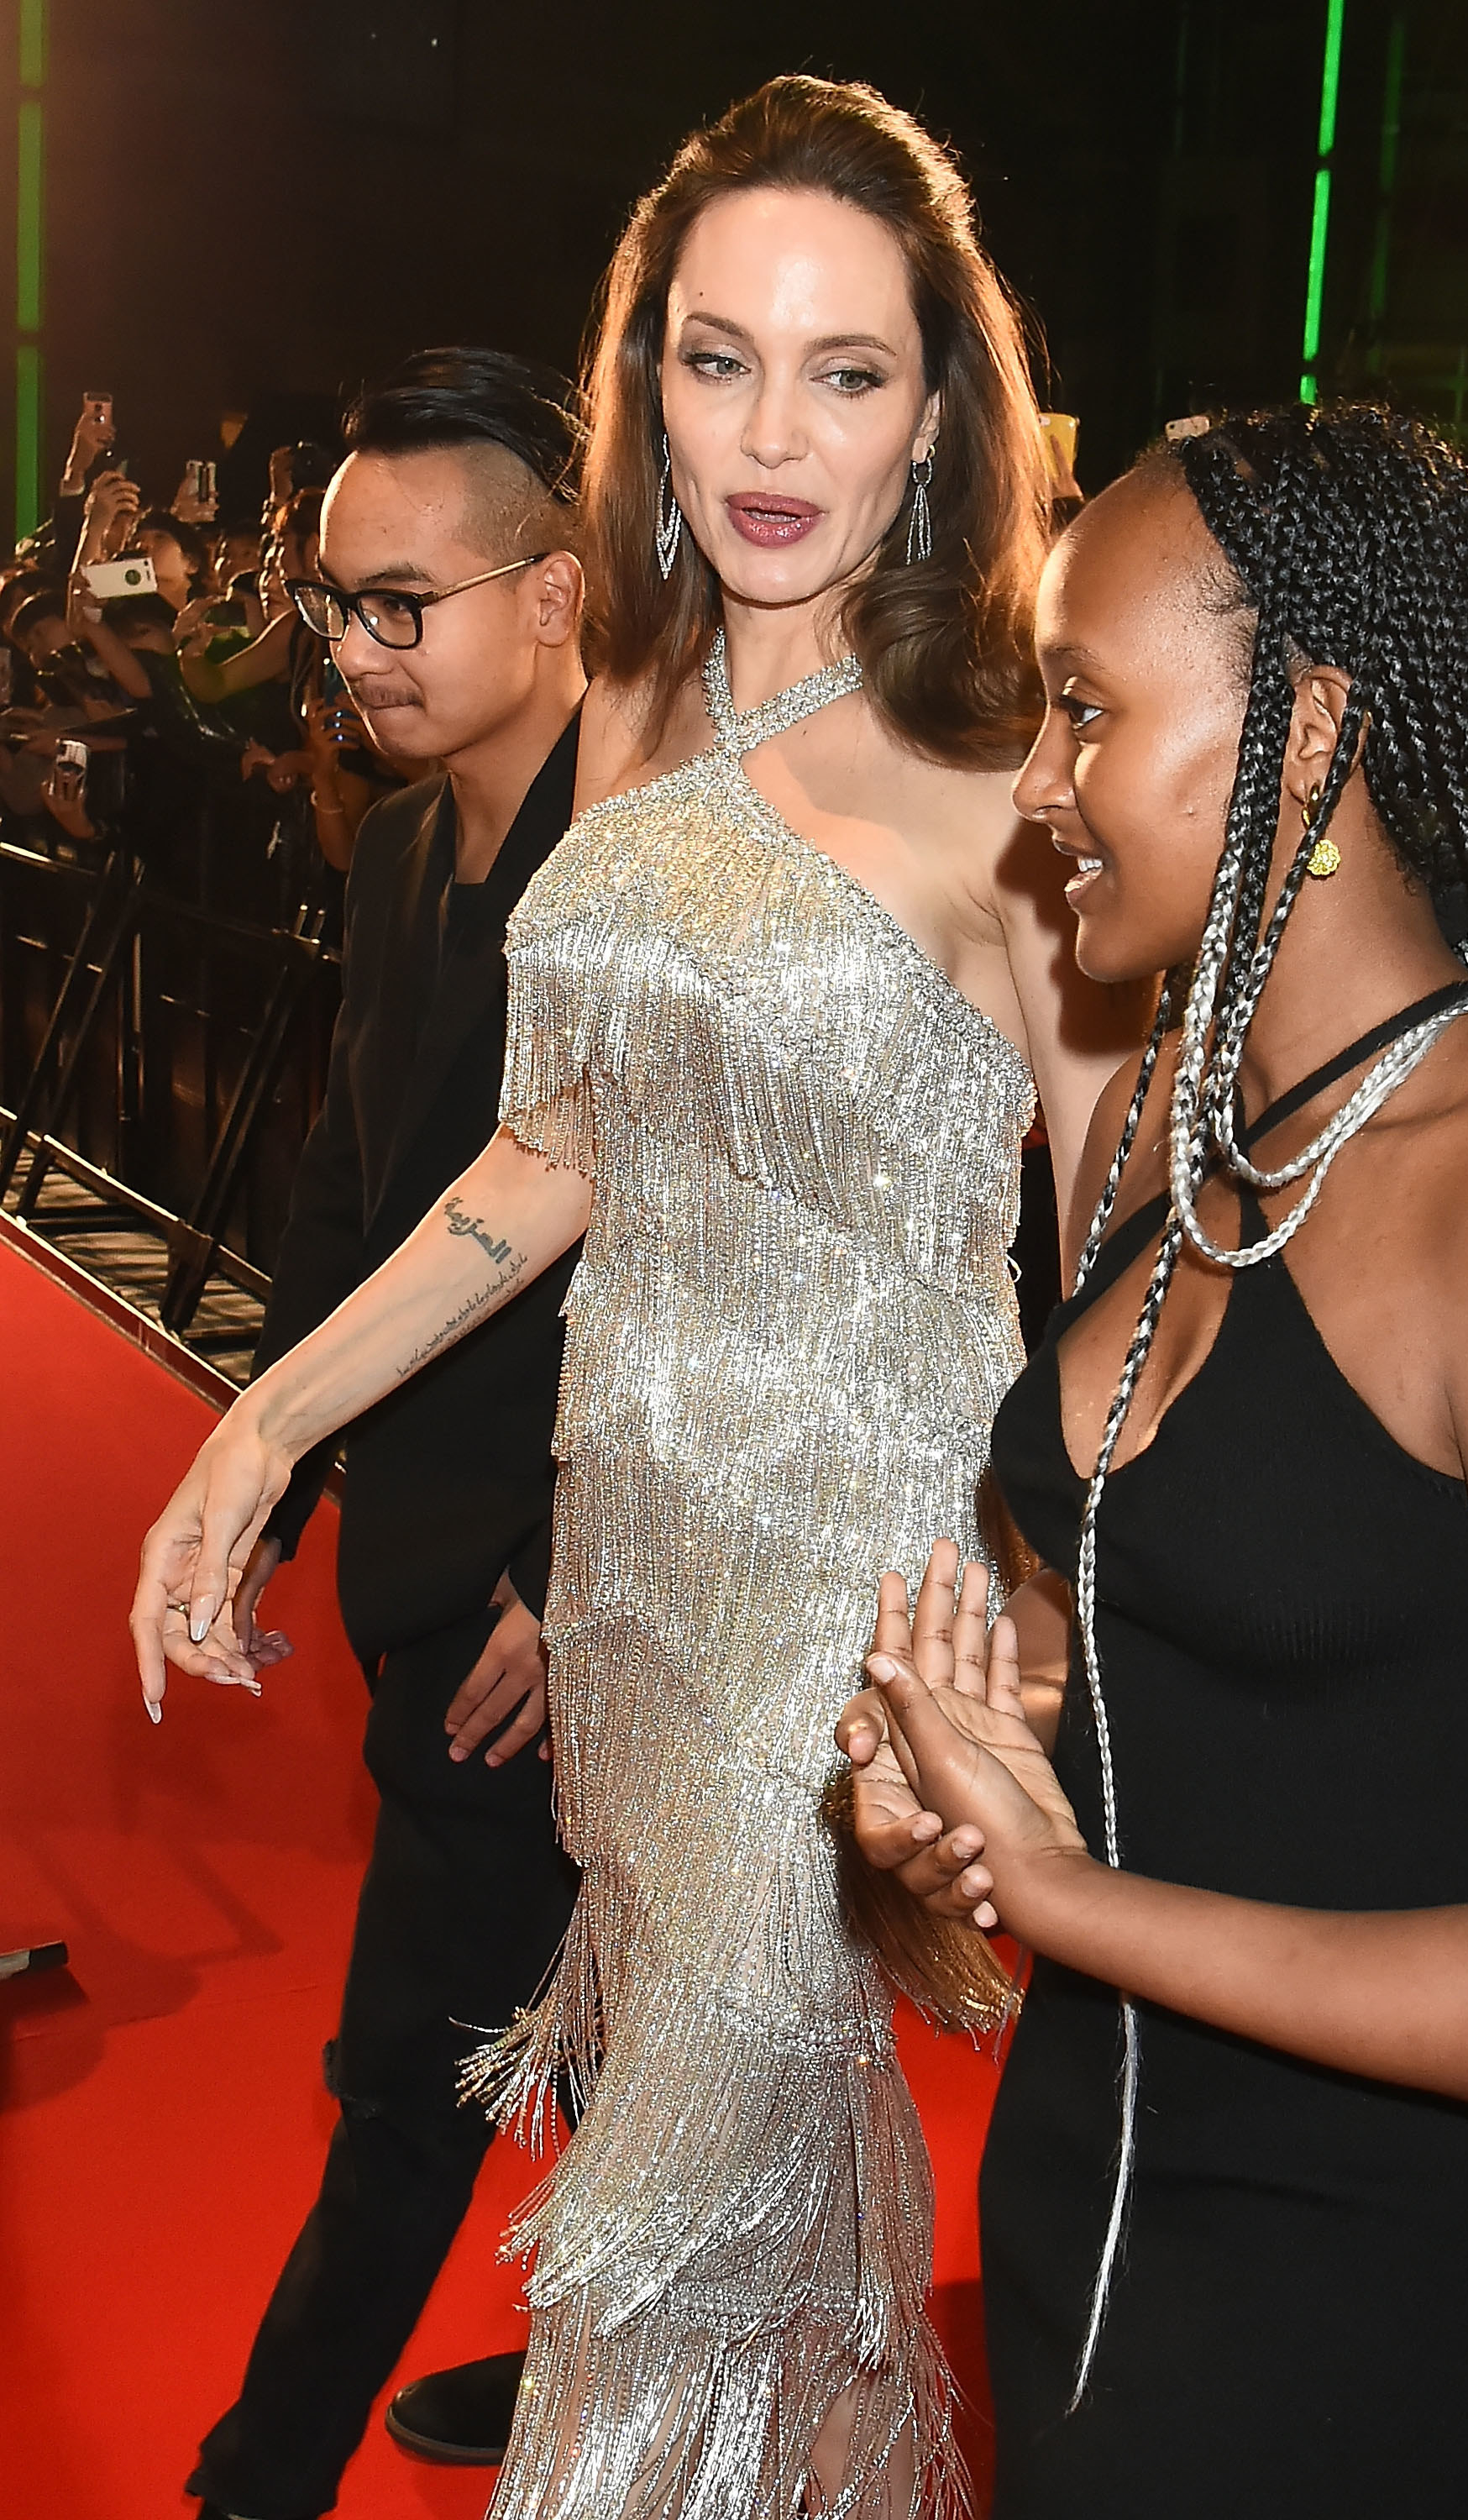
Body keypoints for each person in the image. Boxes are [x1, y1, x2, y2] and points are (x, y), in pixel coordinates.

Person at [132, 75, 1141, 2520]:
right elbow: (556, 1144)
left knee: (662, 2257)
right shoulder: (648, 705)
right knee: (770, 2289)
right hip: (633, 1594)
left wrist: (1023, 1621)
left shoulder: (1023, 752)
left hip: (836, 1638)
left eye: (845, 368)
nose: (768, 435)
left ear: (940, 411)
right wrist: (269, 1427)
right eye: (716, 360)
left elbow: (1132, 1244)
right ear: (645, 376)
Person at [839, 402, 1468, 2519]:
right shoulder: (1182, 1116)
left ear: (1314, 728)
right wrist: (960, 1778)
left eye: (1085, 707)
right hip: (1098, 2167)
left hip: (1392, 2272)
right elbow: (1249, 1660)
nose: (1040, 786)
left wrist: (1076, 1894)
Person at [181, 349, 590, 2520]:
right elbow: (356, 1195)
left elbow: (746, 1262)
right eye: (333, 603)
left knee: (441, 2062)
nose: (346, 653)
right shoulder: (402, 843)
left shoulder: (671, 878)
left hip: (594, 1607)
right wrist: (269, 1448)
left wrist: (596, 1558)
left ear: (558, 591)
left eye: (396, 605)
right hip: (429, 1576)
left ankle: (269, 2467)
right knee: (511, 2043)